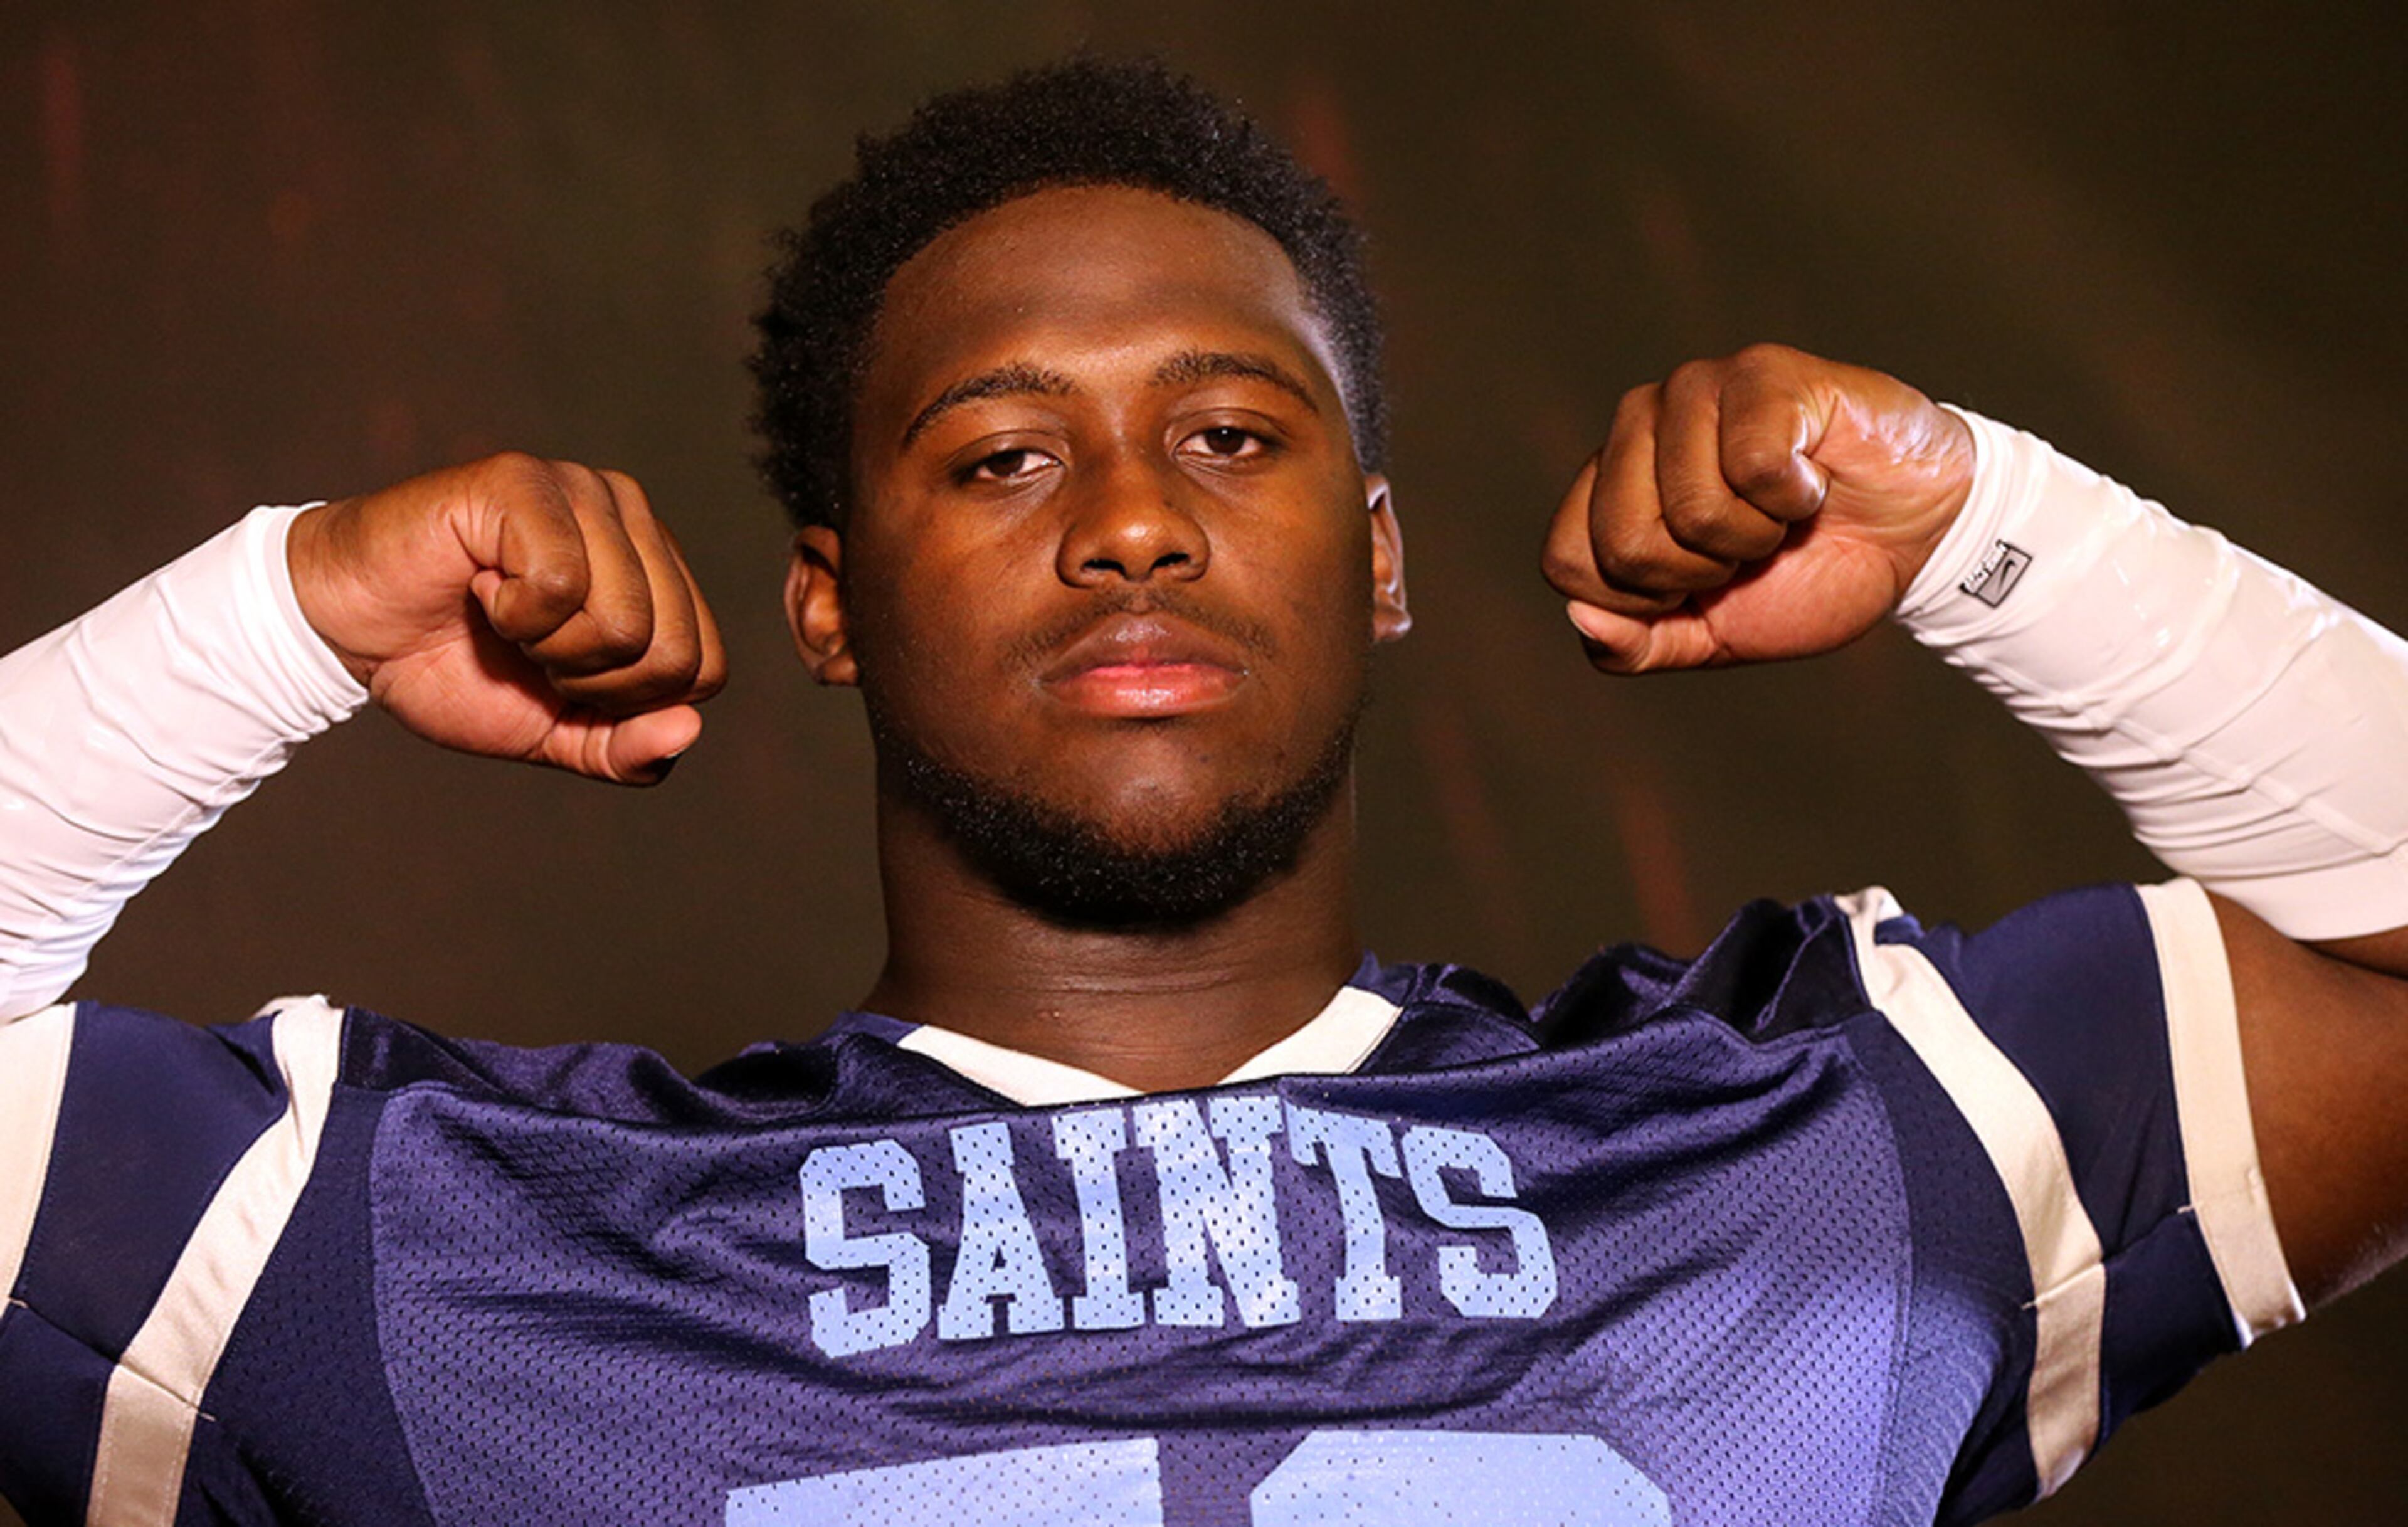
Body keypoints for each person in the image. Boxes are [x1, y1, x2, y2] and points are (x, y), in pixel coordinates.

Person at [1, 57, 2403, 1527]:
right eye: (1002, 449)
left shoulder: (1832, 1138)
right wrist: (277, 611)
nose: (1132, 516)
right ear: (833, 599)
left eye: (1231, 436)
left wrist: (1978, 519)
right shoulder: (429, 1244)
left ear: (1373, 559)